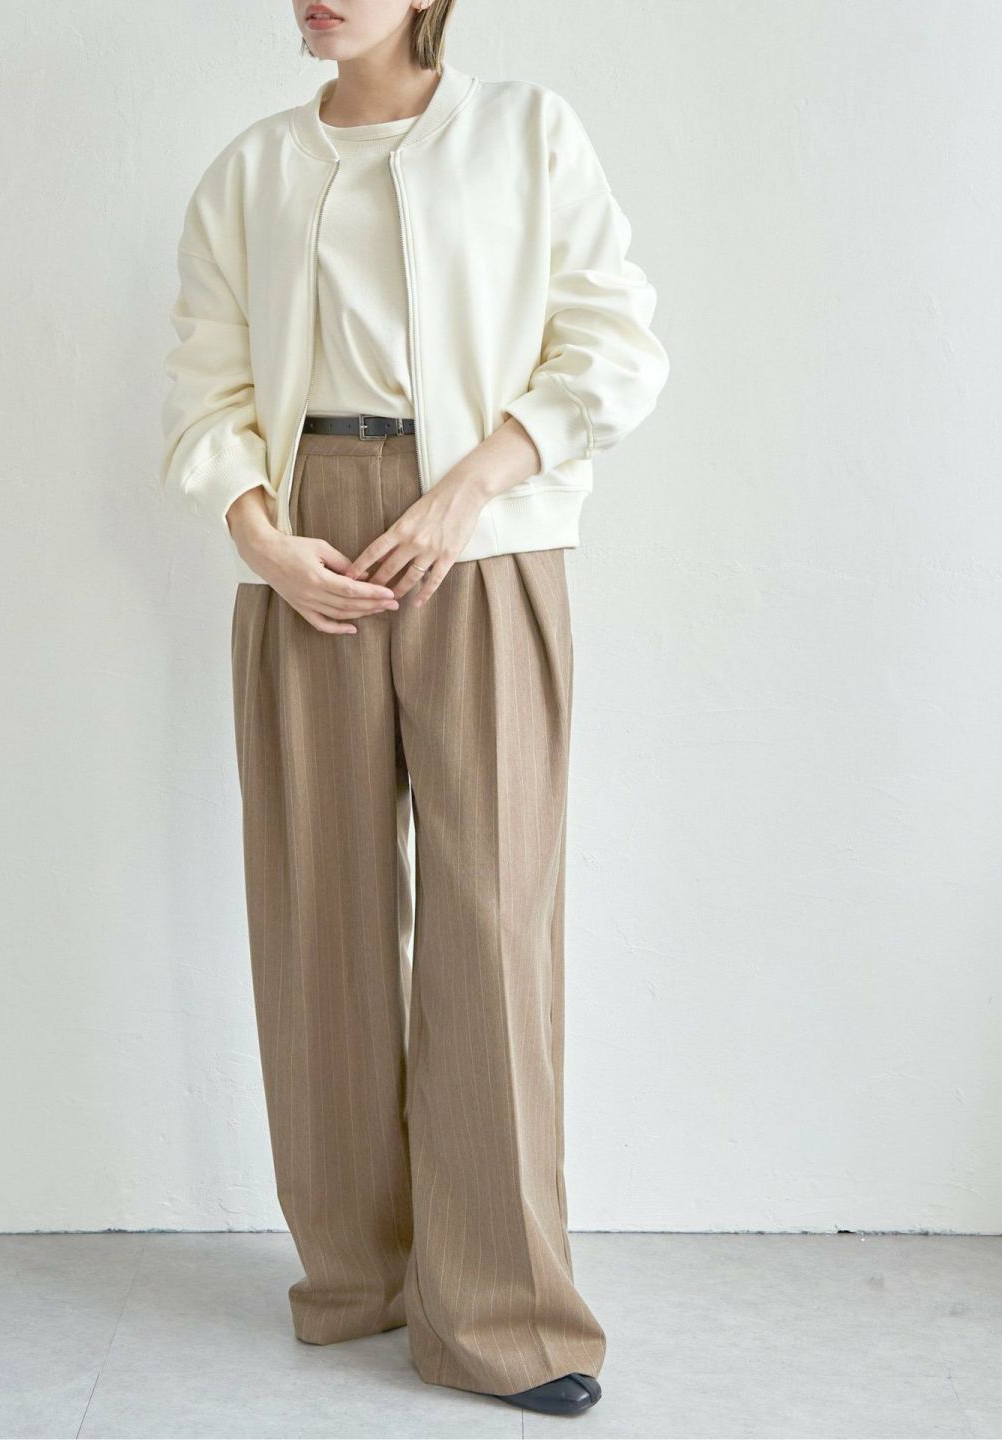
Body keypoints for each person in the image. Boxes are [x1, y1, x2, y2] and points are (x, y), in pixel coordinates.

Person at [159, 0, 669, 1417]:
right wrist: (261, 537)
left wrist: (469, 488)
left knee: (492, 921)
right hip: (304, 545)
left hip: (482, 540)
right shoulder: (251, 170)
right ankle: (358, 1275)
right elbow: (206, 392)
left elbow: (613, 347)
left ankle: (505, 1318)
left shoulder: (526, 133)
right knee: (315, 915)